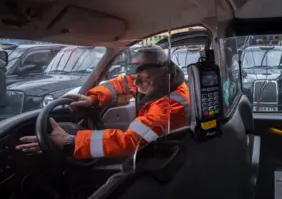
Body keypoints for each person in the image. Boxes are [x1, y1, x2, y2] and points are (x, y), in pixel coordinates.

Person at [16, 45, 190, 159]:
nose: (135, 83)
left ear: (165, 71)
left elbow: (131, 142)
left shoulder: (172, 105)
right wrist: (92, 98)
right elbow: (121, 84)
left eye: (143, 78)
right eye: (134, 73)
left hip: (165, 159)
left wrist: (71, 142)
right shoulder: (158, 81)